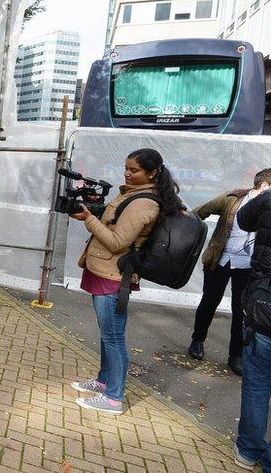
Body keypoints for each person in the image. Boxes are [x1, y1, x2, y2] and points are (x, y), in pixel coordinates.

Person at [69, 148, 181, 415]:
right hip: (103, 269)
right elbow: (114, 223)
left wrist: (90, 220)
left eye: (134, 170)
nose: (127, 173)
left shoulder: (145, 202)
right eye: (126, 168)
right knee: (108, 335)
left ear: (152, 172)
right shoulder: (132, 194)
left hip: (112, 275)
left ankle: (113, 398)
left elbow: (118, 242)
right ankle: (104, 381)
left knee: (114, 337)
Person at [188, 168, 271, 375]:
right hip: (221, 259)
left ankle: (236, 356)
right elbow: (200, 211)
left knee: (240, 310)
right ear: (264, 186)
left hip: (248, 266)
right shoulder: (232, 198)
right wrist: (193, 241)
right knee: (209, 301)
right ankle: (197, 341)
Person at [233, 186, 271, 470]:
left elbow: (244, 219)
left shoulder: (268, 198)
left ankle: (248, 451)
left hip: (264, 305)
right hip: (262, 306)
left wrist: (263, 194)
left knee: (257, 384)